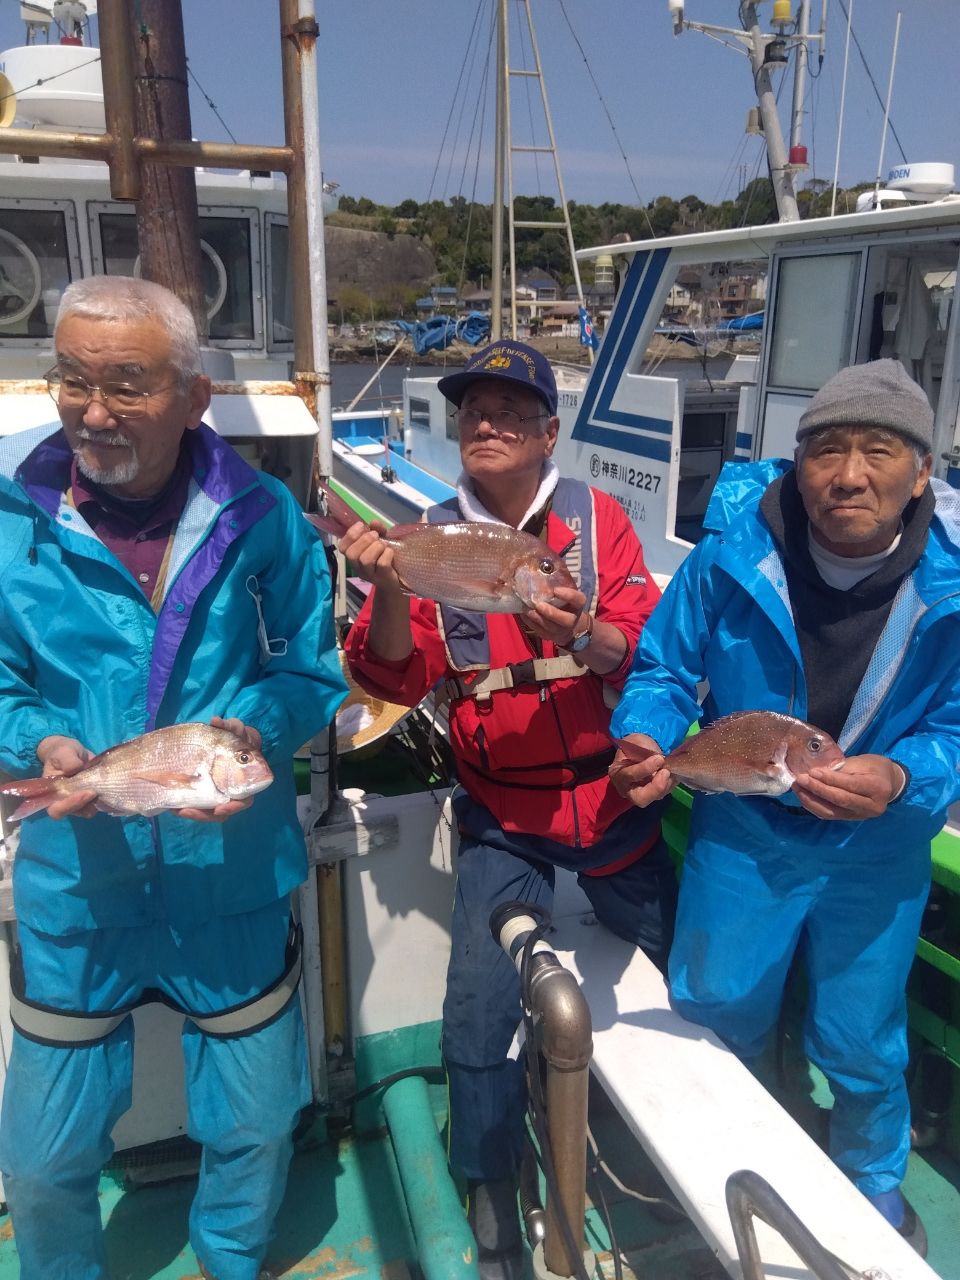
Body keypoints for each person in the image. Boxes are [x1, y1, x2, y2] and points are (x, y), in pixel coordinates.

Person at [0, 276, 347, 1280]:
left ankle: (228, 1260)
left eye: (126, 384)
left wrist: (262, 728)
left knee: (254, 1120)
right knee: (40, 1155)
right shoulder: (11, 520)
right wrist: (39, 746)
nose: (93, 409)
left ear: (194, 396)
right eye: (72, 378)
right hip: (79, 870)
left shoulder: (263, 516)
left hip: (229, 863)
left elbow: (307, 671)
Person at [341, 339, 678, 1279]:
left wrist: (585, 631)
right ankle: (487, 1178)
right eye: (471, 413)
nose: (485, 426)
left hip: (611, 809)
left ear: (547, 434)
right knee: (476, 1012)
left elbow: (646, 649)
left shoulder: (598, 522)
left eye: (510, 413)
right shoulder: (429, 534)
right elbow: (391, 676)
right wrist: (393, 585)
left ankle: (655, 1130)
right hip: (502, 816)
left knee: (680, 959)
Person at [609, 358, 960, 1256]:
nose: (848, 475)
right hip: (744, 833)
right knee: (716, 1006)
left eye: (878, 451)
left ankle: (872, 1181)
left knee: (862, 1035)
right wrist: (649, 738)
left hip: (876, 850)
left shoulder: (955, 585)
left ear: (922, 471)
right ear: (796, 464)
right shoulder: (729, 553)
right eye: (826, 450)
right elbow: (660, 668)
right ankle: (709, 1149)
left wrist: (901, 779)